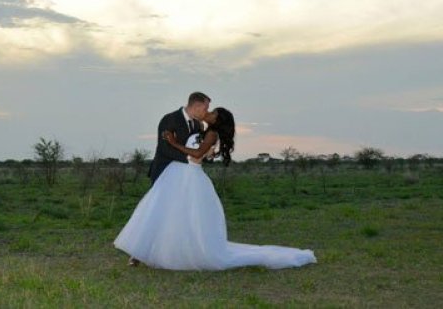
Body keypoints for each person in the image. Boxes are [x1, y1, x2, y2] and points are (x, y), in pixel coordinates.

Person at [116, 107, 317, 271]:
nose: (209, 112)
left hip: (190, 177)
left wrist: (173, 142)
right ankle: (162, 251)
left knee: (182, 215)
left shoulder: (212, 133)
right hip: (178, 176)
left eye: (213, 113)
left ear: (218, 120)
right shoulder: (202, 129)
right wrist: (207, 153)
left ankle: (182, 253)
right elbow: (204, 152)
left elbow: (196, 154)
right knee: (172, 215)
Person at [147, 92, 211, 184]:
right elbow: (164, 148)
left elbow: (196, 149)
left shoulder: (198, 125)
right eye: (205, 109)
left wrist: (207, 155)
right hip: (164, 171)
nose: (207, 112)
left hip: (185, 175)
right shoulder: (170, 119)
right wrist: (189, 159)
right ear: (197, 106)